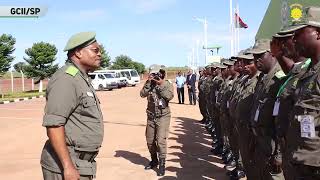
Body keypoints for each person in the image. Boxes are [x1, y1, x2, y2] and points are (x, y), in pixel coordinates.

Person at [40, 32, 104, 180]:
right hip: (66, 164)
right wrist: (68, 166)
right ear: (78, 52)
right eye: (95, 50)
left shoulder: (81, 78)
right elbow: (54, 125)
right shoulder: (66, 79)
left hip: (81, 163)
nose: (100, 54)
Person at [278, 6, 320, 179]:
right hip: (298, 163)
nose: (293, 40)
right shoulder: (307, 72)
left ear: (318, 33)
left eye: (299, 33)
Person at [140, 67, 174, 176]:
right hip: (150, 117)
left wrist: (160, 84)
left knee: (160, 141)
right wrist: (149, 82)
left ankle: (162, 164)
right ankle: (154, 160)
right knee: (150, 141)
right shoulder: (149, 84)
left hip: (163, 116)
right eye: (153, 74)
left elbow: (168, 96)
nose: (155, 76)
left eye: (157, 74)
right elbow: (142, 94)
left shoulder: (167, 84)